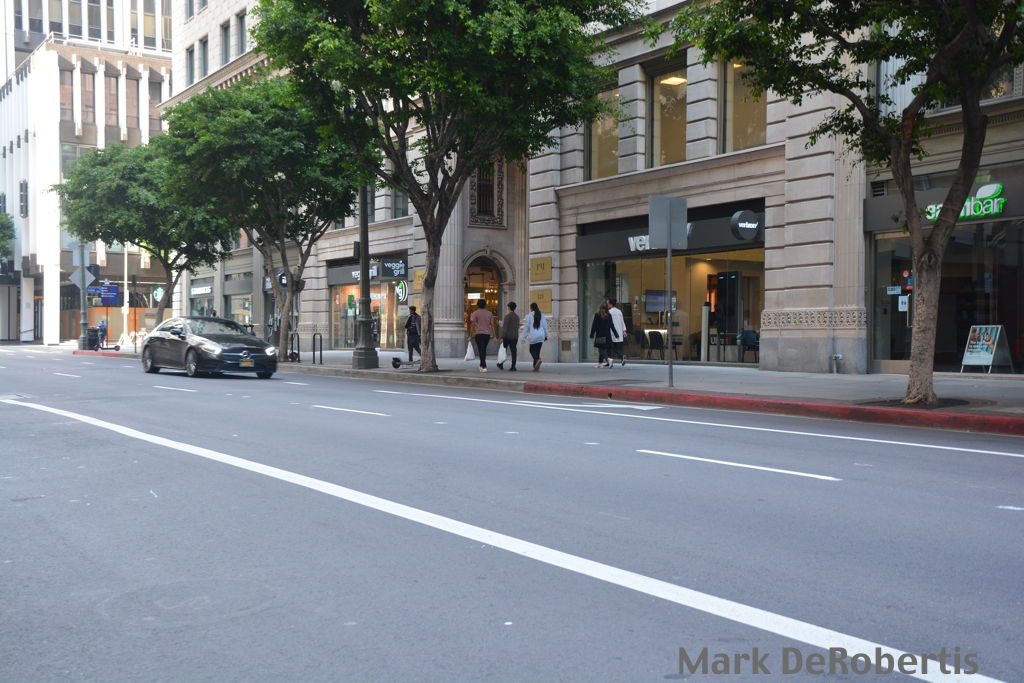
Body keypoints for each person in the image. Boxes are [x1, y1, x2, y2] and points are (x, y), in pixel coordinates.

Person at [469, 298, 496, 372]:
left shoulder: (475, 313)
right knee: (483, 349)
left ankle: (483, 365)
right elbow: (492, 325)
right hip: (487, 334)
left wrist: (470, 335)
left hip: (479, 334)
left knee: (481, 350)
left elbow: (472, 325)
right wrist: (494, 336)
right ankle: (482, 365)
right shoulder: (489, 313)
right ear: (485, 305)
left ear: (478, 305)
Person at [589, 302, 616, 368]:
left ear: (600, 307)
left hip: (600, 335)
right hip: (607, 335)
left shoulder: (597, 315)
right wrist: (616, 334)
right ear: (607, 308)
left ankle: (608, 359)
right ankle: (600, 363)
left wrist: (592, 335)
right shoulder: (609, 315)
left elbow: (594, 326)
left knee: (601, 349)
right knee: (602, 348)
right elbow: (612, 325)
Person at [524, 302, 548, 371]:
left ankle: (538, 360)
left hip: (533, 336)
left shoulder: (529, 316)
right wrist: (546, 335)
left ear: (531, 308)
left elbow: (526, 328)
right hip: (541, 335)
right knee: (537, 351)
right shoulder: (541, 315)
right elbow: (545, 326)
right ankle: (536, 368)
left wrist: (524, 337)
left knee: (531, 350)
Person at [497, 301, 520, 371]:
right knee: (513, 351)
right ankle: (513, 366)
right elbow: (517, 326)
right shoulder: (517, 317)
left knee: (504, 350)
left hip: (507, 336)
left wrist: (502, 337)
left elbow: (505, 328)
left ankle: (500, 364)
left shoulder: (507, 316)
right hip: (515, 336)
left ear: (509, 307)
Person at [606, 297, 627, 366]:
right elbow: (622, 322)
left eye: (608, 303)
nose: (607, 305)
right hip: (619, 332)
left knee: (610, 348)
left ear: (611, 304)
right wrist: (624, 331)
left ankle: (610, 362)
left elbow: (608, 323)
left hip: (612, 332)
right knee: (616, 348)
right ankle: (621, 357)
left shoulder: (609, 312)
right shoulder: (619, 311)